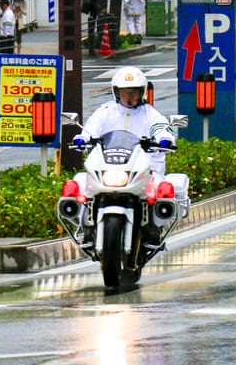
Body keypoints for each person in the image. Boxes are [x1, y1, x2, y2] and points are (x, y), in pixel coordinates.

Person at [72, 67, 186, 240]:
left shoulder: (150, 114)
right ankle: (87, 226)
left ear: (142, 92)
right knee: (79, 184)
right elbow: (91, 128)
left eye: (134, 92)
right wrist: (82, 138)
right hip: (108, 166)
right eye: (125, 92)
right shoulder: (105, 111)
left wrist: (165, 139)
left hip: (144, 170)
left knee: (161, 190)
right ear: (116, 92)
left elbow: (161, 128)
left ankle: (154, 228)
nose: (129, 96)